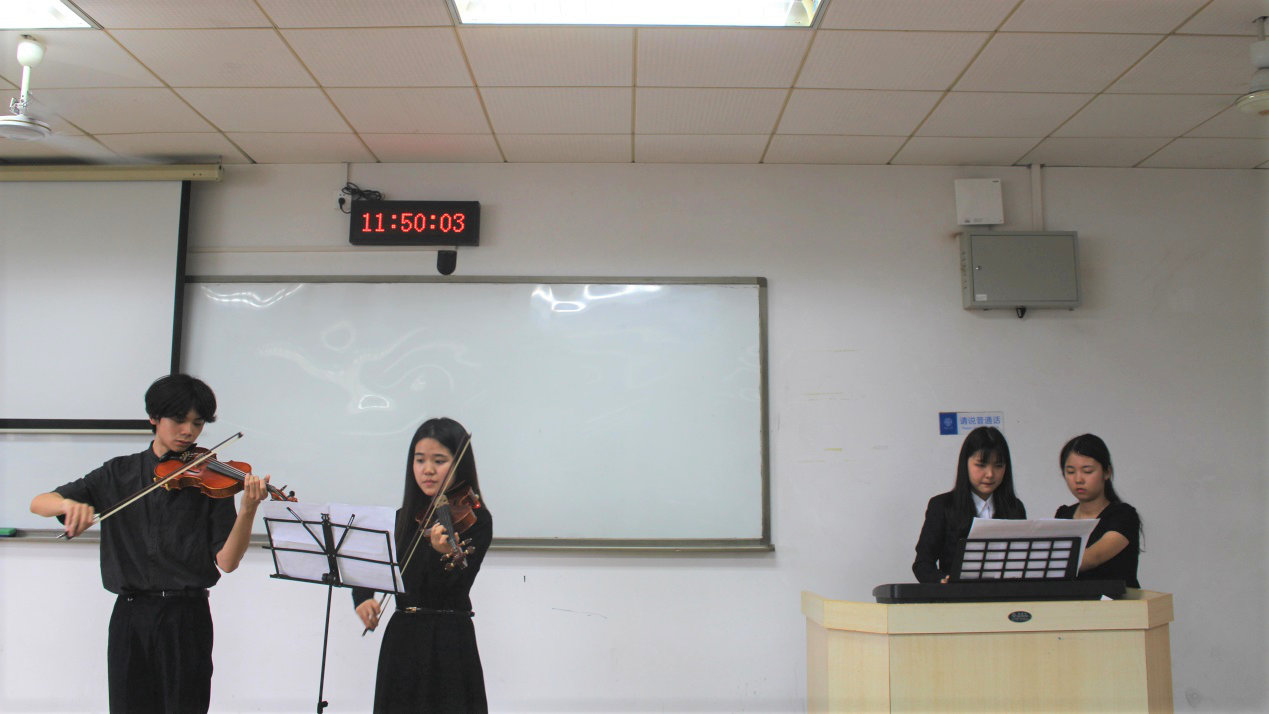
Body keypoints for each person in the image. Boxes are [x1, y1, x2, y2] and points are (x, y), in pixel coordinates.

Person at [28, 373, 270, 713]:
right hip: (130, 615)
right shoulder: (118, 473)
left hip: (187, 617)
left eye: (197, 423)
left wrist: (248, 509)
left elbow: (227, 562)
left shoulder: (211, 478)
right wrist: (68, 505)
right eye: (179, 420)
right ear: (154, 417)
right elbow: (40, 502)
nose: (188, 431)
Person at [353, 417, 493, 713]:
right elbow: (370, 566)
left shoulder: (476, 518)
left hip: (449, 641)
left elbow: (452, 586)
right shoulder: (401, 518)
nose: (427, 469)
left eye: (439, 461)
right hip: (403, 639)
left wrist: (441, 553)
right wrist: (363, 598)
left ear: (459, 464)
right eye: (419, 460)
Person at [913, 426, 1027, 583]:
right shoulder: (942, 506)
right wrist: (942, 580)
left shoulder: (1015, 508)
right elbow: (923, 564)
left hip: (1004, 594)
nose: (990, 474)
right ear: (965, 464)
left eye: (998, 465)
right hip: (957, 594)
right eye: (981, 465)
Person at [1054, 434, 1141, 589]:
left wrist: (1044, 564)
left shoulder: (1123, 515)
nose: (1078, 479)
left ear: (1107, 472)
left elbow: (1094, 557)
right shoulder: (1063, 515)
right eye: (1070, 472)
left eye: (1087, 471)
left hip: (1117, 601)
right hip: (1073, 601)